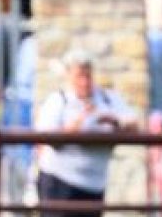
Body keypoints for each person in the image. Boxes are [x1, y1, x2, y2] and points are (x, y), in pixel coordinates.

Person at [33, 49, 138, 217]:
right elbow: (45, 138)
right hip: (59, 182)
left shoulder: (107, 99)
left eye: (88, 76)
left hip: (94, 185)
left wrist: (115, 121)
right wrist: (75, 128)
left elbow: (134, 123)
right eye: (79, 76)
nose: (84, 82)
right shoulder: (59, 100)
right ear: (68, 76)